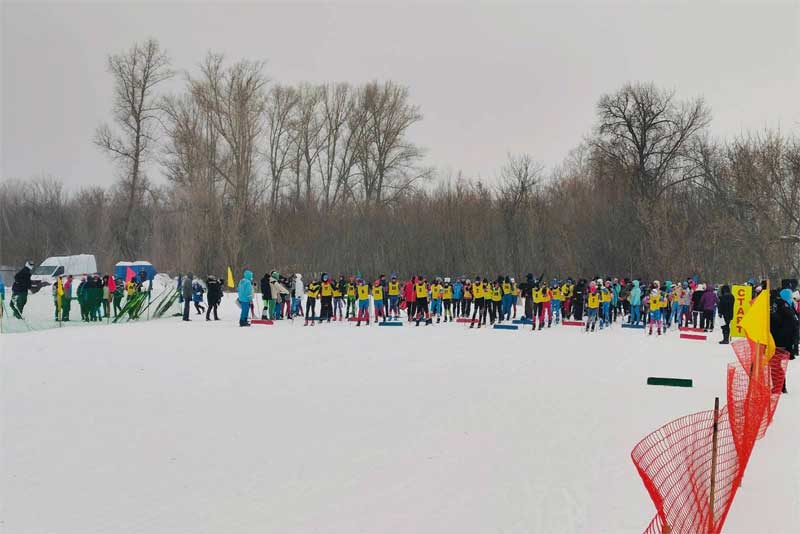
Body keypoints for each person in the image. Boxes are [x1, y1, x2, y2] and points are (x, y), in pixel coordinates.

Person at [771, 288, 798, 394]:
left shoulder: (783, 306)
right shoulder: (788, 306)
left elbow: (786, 323)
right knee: (775, 363)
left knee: (774, 363)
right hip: (783, 340)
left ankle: (779, 386)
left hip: (780, 341)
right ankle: (780, 386)